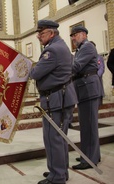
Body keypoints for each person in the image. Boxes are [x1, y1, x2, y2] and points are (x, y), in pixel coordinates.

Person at [30, 20, 78, 184]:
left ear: (51, 33)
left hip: (57, 99)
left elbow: (35, 73)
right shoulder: (61, 46)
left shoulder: (52, 50)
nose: (38, 36)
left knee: (54, 138)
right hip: (61, 98)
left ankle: (57, 177)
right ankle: (60, 171)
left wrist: (29, 68)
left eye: (41, 33)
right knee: (59, 137)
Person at [70, 26, 103, 170]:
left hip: (88, 89)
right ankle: (91, 154)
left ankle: (90, 159)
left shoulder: (87, 47)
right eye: (71, 35)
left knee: (89, 126)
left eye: (75, 35)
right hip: (84, 90)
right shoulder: (81, 49)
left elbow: (76, 66)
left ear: (83, 34)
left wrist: (59, 69)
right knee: (86, 125)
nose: (72, 38)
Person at [90, 41, 105, 105]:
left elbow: (101, 68)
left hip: (97, 80)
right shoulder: (86, 58)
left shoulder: (99, 57)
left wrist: (96, 76)